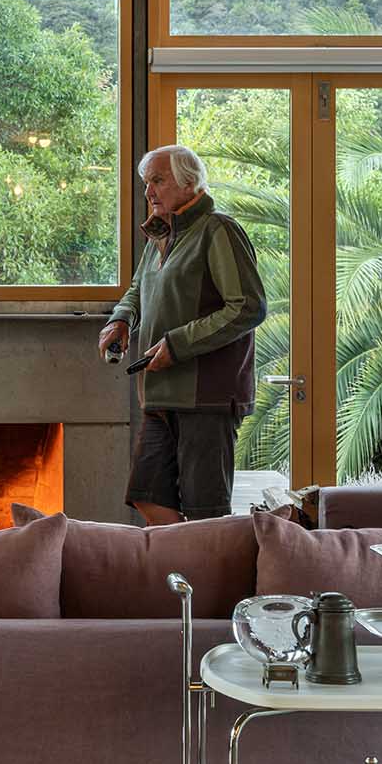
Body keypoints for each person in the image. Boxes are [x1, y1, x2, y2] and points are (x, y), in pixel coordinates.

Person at [99, 144, 267, 525]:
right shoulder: (162, 235)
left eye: (158, 181)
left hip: (205, 399)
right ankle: (187, 560)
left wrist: (176, 345)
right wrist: (121, 319)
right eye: (146, 183)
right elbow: (138, 288)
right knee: (145, 497)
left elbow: (248, 306)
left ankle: (204, 564)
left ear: (189, 182)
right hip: (160, 396)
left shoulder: (218, 230)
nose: (149, 192)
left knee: (205, 514)